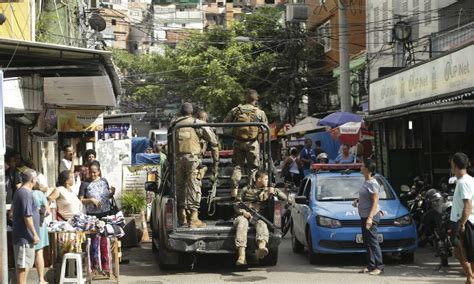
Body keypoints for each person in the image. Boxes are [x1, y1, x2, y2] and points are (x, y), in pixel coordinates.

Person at [172, 103, 219, 228]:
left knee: (180, 187)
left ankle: (182, 216)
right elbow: (213, 140)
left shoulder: (174, 124)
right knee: (194, 185)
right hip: (193, 160)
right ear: (192, 112)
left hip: (177, 159)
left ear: (181, 112)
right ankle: (193, 218)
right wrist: (215, 161)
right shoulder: (197, 123)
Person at [233, 170, 287, 265]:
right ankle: (242, 256)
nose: (267, 181)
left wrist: (274, 192)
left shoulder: (269, 189)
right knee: (242, 224)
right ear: (259, 179)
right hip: (244, 216)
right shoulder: (246, 189)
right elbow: (236, 204)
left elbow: (284, 197)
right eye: (265, 179)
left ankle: (261, 248)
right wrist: (243, 212)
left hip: (258, 217)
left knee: (262, 224)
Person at [224, 89, 268, 198]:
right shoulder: (259, 112)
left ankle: (234, 191)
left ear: (245, 98)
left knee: (238, 167)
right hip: (253, 143)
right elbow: (265, 129)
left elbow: (225, 123)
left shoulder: (236, 110)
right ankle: (250, 191)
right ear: (256, 98)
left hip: (238, 142)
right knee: (253, 168)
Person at [352, 159, 383, 275]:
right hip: (364, 216)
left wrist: (370, 218)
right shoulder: (366, 182)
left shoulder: (372, 183)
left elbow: (375, 202)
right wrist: (358, 201)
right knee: (367, 242)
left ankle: (379, 266)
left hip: (371, 217)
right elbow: (366, 197)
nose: (361, 166)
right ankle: (370, 266)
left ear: (367, 169)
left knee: (373, 242)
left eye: (363, 165)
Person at [12, 169, 40, 284]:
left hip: (25, 236)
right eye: (36, 178)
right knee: (22, 266)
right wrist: (34, 234)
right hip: (25, 237)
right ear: (33, 180)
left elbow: (12, 212)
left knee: (26, 264)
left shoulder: (20, 192)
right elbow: (27, 216)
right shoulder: (25, 193)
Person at [449, 152, 474, 284]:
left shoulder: (464, 182)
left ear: (456, 165)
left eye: (452, 164)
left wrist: (462, 224)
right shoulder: (468, 180)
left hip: (465, 221)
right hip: (464, 220)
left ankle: (470, 277)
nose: (451, 167)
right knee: (461, 252)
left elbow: (468, 205)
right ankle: (470, 277)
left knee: (462, 252)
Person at [31, 182, 50, 284]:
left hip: (24, 225)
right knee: (39, 252)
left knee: (26, 253)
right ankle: (41, 279)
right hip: (39, 225)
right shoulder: (40, 194)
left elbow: (12, 213)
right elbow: (48, 210)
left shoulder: (20, 193)